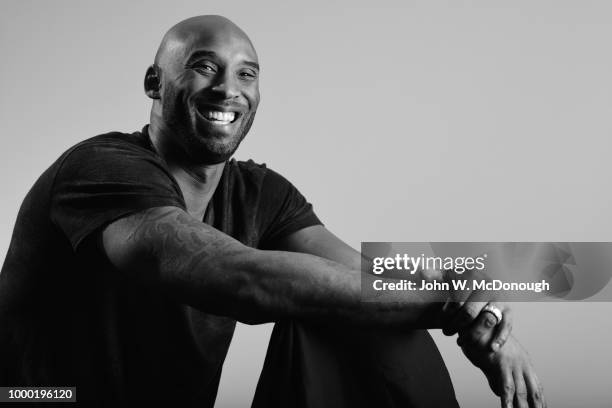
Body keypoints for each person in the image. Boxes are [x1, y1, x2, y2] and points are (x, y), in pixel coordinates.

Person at [0, 15, 544, 408]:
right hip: (40, 398)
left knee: (361, 313)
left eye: (246, 74)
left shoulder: (260, 192)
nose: (227, 89)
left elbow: (360, 274)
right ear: (154, 83)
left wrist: (482, 308)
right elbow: (240, 279)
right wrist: (446, 300)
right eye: (205, 66)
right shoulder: (102, 167)